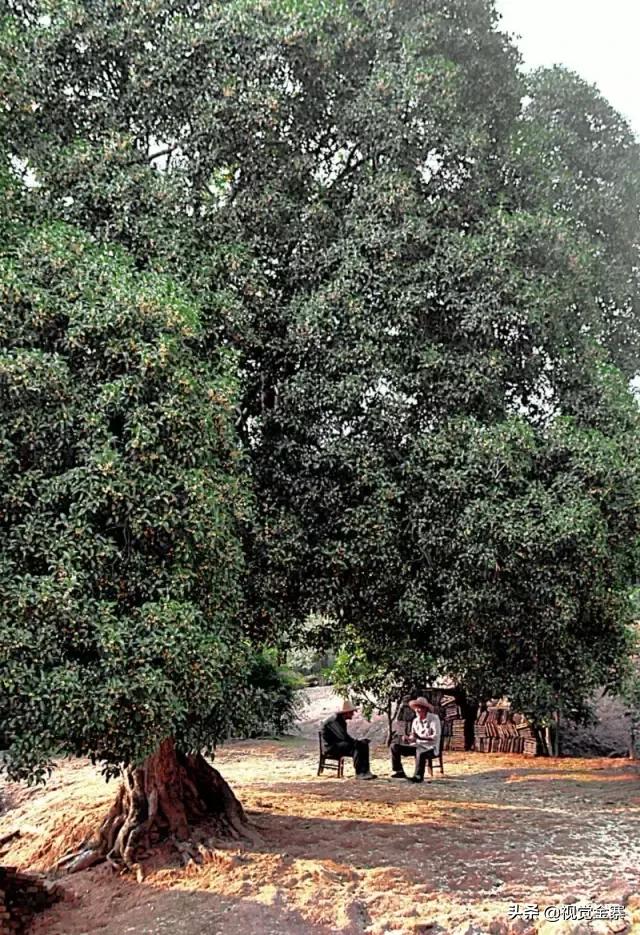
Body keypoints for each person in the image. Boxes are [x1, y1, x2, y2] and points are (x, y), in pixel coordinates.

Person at [389, 696, 441, 783]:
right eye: (416, 708)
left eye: (419, 708)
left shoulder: (434, 719)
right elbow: (413, 738)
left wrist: (419, 737)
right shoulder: (415, 721)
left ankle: (418, 776)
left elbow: (435, 737)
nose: (417, 710)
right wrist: (407, 739)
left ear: (425, 709)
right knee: (394, 746)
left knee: (420, 752)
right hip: (417, 746)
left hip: (430, 748)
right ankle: (399, 771)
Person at [321, 700, 377, 780]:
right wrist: (357, 742)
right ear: (346, 713)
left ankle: (365, 771)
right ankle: (360, 773)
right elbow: (343, 737)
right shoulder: (334, 720)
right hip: (331, 747)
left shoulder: (341, 720)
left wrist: (359, 742)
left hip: (338, 743)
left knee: (363, 745)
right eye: (351, 712)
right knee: (356, 747)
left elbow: (345, 737)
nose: (353, 715)